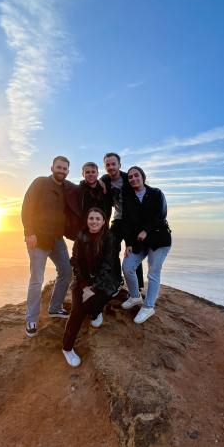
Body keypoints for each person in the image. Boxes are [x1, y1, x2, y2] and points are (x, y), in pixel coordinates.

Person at [21, 156, 75, 337]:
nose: (62, 171)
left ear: (68, 171)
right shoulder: (40, 183)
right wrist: (29, 232)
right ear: (52, 167)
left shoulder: (66, 188)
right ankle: (31, 319)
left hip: (57, 239)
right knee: (37, 279)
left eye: (65, 168)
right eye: (59, 167)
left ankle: (55, 307)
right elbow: (27, 206)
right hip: (37, 238)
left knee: (67, 271)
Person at [62, 207, 120, 367]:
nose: (94, 221)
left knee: (100, 299)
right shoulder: (80, 237)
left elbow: (108, 266)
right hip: (83, 281)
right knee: (78, 311)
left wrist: (93, 289)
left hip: (105, 281)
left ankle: (96, 313)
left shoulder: (109, 237)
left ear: (103, 222)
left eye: (97, 219)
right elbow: (75, 262)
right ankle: (67, 348)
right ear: (87, 221)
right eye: (91, 218)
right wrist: (85, 286)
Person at [121, 166, 172, 324]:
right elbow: (127, 222)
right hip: (139, 241)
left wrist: (146, 230)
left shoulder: (156, 193)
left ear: (143, 177)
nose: (133, 179)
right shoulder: (128, 197)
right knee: (128, 267)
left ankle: (148, 306)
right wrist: (128, 243)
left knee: (153, 273)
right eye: (130, 177)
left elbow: (161, 215)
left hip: (159, 239)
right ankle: (135, 297)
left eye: (136, 175)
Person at [101, 152, 144, 291]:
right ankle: (117, 280)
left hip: (133, 220)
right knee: (111, 247)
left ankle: (138, 286)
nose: (111, 167)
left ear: (119, 165)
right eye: (108, 164)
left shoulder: (128, 178)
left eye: (113, 164)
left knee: (134, 251)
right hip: (118, 219)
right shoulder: (105, 180)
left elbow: (141, 191)